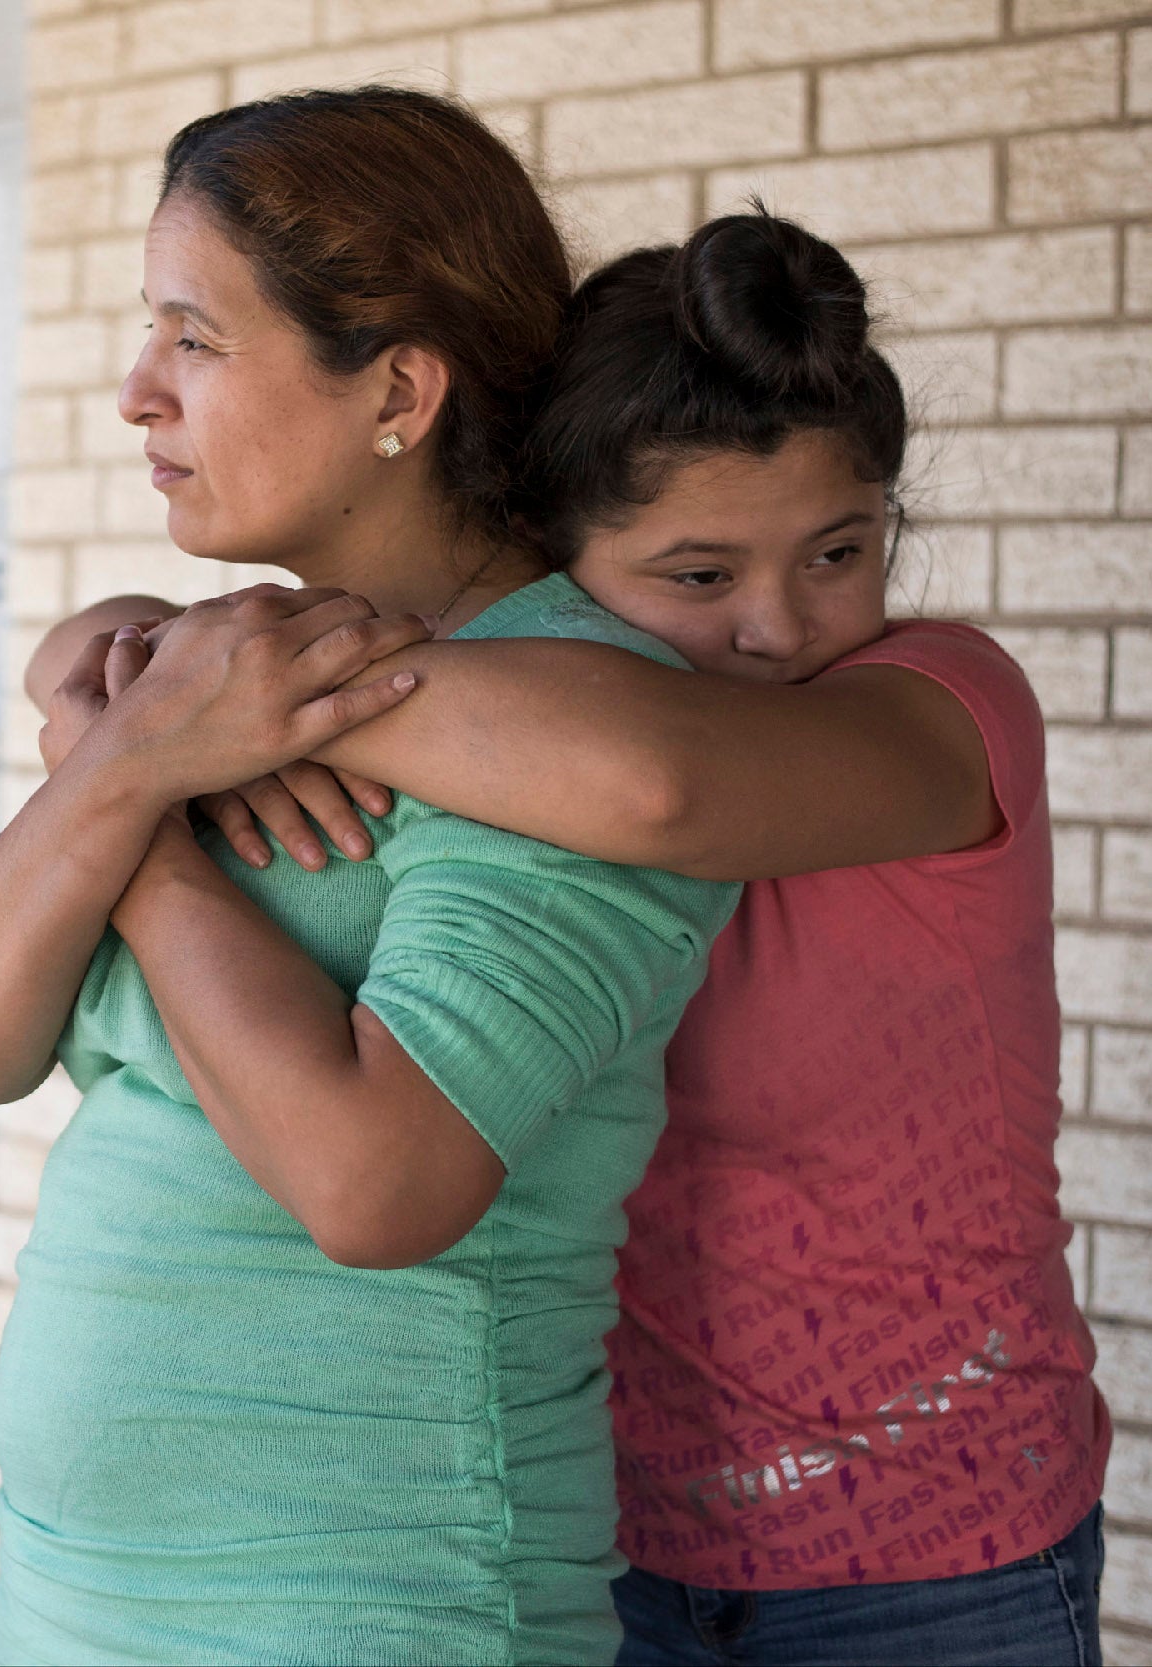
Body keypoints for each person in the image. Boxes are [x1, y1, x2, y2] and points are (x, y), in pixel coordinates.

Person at [142, 212, 1109, 1664]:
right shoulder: (522, 715)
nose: (780, 625)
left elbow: (671, 785)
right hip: (613, 1550)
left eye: (839, 551)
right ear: (560, 562)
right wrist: (131, 669)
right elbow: (169, 649)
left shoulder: (944, 709)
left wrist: (177, 709)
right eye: (700, 575)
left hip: (939, 1551)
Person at [0, 88, 740, 1663]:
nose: (139, 393)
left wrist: (130, 802)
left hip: (371, 1600)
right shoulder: (215, 681)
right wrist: (137, 755)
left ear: (398, 389)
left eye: (195, 340)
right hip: (80, 1607)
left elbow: (379, 1183)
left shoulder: (565, 716)